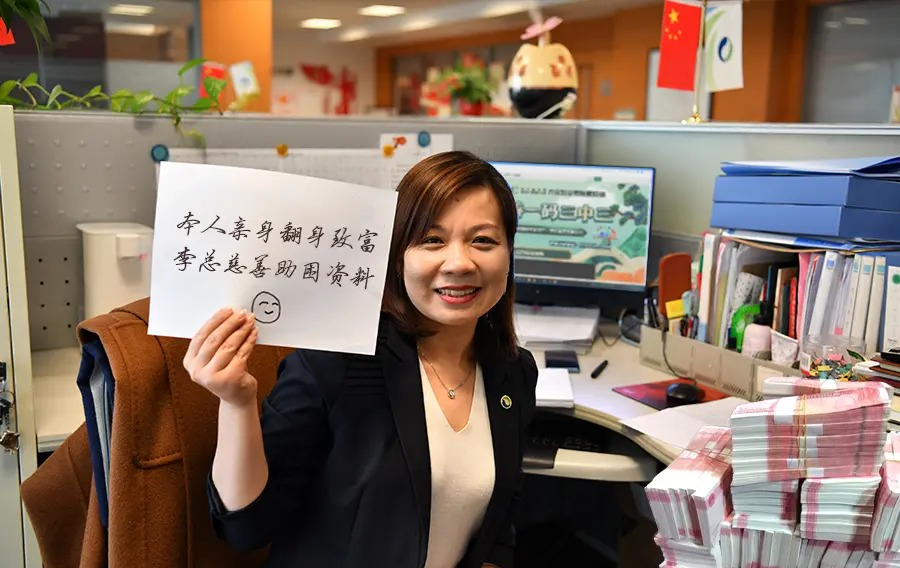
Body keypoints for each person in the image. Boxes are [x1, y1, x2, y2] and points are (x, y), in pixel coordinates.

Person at [183, 150, 539, 568]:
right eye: (432, 240)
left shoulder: (513, 371)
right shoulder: (336, 364)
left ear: (509, 253)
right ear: (398, 256)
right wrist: (237, 402)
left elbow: (500, 521)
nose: (459, 263)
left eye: (483, 241)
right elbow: (247, 528)